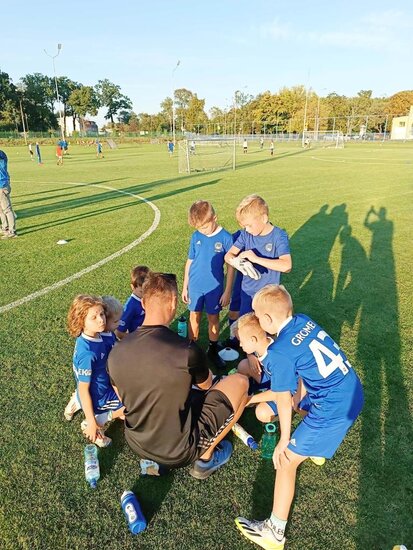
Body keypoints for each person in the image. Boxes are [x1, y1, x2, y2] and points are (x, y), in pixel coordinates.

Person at [235, 284, 364, 550]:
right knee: (303, 410)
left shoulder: (280, 351)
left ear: (267, 320)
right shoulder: (303, 320)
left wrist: (285, 439)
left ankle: (274, 532)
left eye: (257, 316)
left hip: (333, 407)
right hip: (350, 388)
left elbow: (282, 399)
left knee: (285, 461)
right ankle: (314, 448)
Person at [108, 272, 249, 478]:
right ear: (174, 302)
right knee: (240, 382)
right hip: (178, 451)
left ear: (144, 304)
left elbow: (122, 395)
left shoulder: (116, 351)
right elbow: (206, 385)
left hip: (136, 441)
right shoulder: (187, 350)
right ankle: (205, 459)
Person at [182, 201, 235, 368]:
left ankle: (212, 349)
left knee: (213, 318)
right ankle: (192, 349)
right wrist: (185, 286)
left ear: (215, 218)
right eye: (198, 228)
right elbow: (190, 261)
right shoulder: (196, 236)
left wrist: (227, 291)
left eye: (204, 227)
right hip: (195, 285)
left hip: (214, 288)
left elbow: (231, 267)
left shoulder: (226, 238)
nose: (202, 231)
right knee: (194, 316)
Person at [67, 295, 125, 447]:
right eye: (94, 317)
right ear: (81, 322)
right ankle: (97, 419)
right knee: (135, 407)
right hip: (100, 398)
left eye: (102, 314)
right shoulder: (88, 353)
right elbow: (83, 388)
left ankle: (78, 401)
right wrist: (92, 421)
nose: (101, 320)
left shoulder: (96, 335)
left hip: (103, 387)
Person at [225, 194, 292, 316]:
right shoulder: (246, 235)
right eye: (244, 226)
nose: (247, 229)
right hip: (247, 293)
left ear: (264, 218)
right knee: (246, 324)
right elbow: (228, 255)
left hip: (268, 296)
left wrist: (255, 259)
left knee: (265, 326)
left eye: (249, 225)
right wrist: (238, 262)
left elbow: (286, 266)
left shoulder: (279, 236)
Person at [116, 265, 150, 340]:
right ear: (133, 287)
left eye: (148, 290)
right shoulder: (130, 306)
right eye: (141, 291)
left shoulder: (148, 297)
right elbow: (119, 332)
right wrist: (135, 340)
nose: (145, 294)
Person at [0, 150, 17, 239]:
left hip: (2, 185)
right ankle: (5, 228)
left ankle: (12, 231)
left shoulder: (2, 156)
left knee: (7, 210)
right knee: (1, 210)